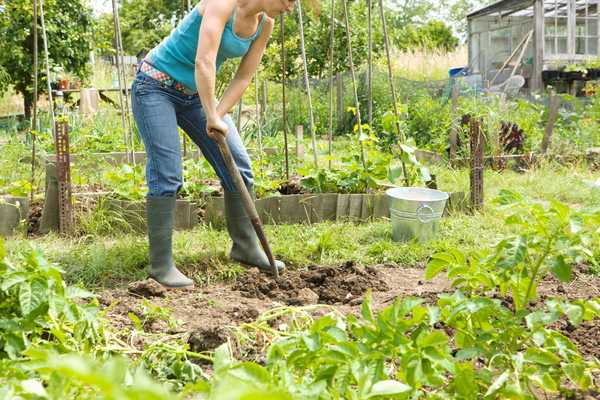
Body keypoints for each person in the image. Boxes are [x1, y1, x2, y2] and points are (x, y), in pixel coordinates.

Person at [132, 0, 296, 289]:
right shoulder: (222, 3)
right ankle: (161, 265)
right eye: (289, 0)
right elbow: (204, 60)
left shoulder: (264, 24)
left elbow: (244, 77)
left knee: (239, 165)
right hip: (155, 86)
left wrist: (217, 115)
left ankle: (245, 247)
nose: (291, 8)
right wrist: (210, 113)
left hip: (195, 94)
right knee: (168, 174)